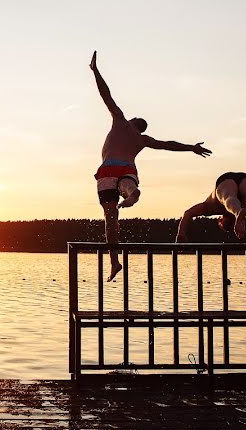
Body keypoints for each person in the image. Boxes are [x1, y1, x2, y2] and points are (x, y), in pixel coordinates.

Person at [89, 51, 211, 281]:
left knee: (110, 221)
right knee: (126, 184)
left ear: (133, 121)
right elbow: (168, 145)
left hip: (106, 170)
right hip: (126, 169)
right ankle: (131, 193)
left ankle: (114, 262)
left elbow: (107, 96)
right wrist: (191, 148)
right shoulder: (143, 140)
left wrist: (95, 72)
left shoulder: (121, 121)